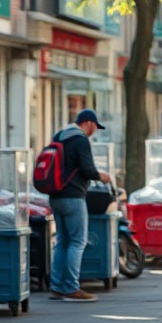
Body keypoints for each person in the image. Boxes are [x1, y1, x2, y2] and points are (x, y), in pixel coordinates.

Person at [48, 109, 110, 302]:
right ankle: (72, 288)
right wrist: (102, 176)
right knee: (77, 241)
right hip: (73, 197)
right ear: (89, 123)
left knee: (62, 241)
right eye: (95, 127)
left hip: (55, 195)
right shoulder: (81, 139)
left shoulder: (60, 135)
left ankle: (57, 287)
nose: (94, 131)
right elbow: (87, 168)